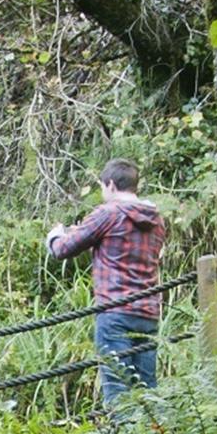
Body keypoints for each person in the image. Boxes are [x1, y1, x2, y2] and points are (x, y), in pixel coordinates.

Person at [46, 158, 168, 406]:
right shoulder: (156, 218)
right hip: (148, 312)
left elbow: (63, 249)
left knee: (118, 390)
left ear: (110, 185)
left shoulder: (108, 213)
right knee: (147, 390)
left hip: (115, 312)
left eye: (103, 188)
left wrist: (55, 235)